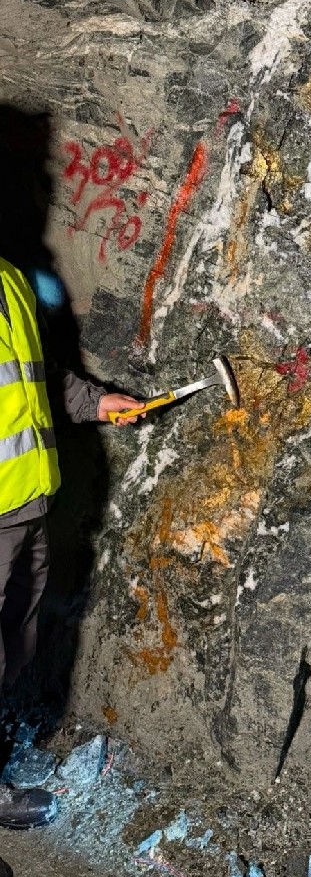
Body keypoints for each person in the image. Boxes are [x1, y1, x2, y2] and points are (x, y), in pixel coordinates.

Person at [0, 254, 144, 829]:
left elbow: (26, 380)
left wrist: (93, 401)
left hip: (26, 503)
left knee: (14, 644)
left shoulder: (9, 277)